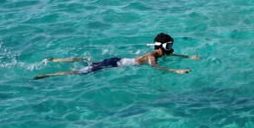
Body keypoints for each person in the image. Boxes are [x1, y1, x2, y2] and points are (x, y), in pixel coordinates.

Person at [33, 33, 200, 80]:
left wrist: (189, 57)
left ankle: (55, 59)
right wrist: (176, 71)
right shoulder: (152, 55)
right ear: (163, 46)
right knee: (81, 71)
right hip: (116, 64)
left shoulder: (157, 52)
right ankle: (48, 74)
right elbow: (155, 66)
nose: (171, 48)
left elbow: (173, 55)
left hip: (118, 60)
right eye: (169, 45)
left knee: (89, 62)